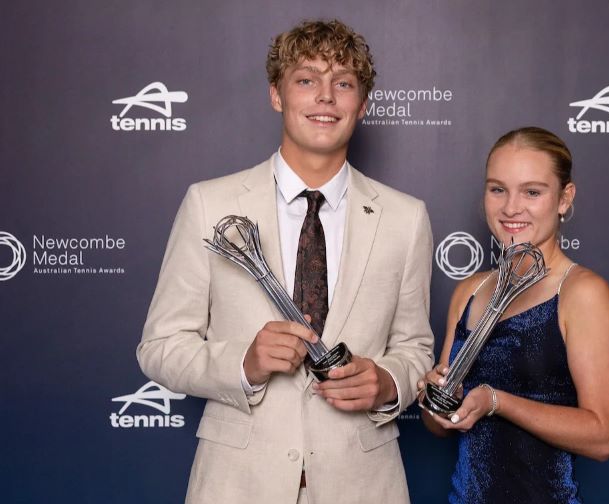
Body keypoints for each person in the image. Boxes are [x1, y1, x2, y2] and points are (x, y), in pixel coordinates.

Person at [138, 20, 434, 504]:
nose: (325, 97)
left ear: (362, 104)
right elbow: (160, 347)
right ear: (277, 95)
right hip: (236, 487)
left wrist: (385, 382)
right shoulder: (209, 205)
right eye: (306, 80)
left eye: (343, 83)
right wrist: (244, 363)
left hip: (363, 485)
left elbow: (415, 348)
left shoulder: (406, 218)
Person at [420, 127, 609, 503]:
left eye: (532, 192)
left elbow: (603, 437)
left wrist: (497, 402)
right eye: (498, 189)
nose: (511, 208)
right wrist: (436, 399)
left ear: (564, 198)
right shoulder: (470, 291)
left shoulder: (582, 294)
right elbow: (440, 426)